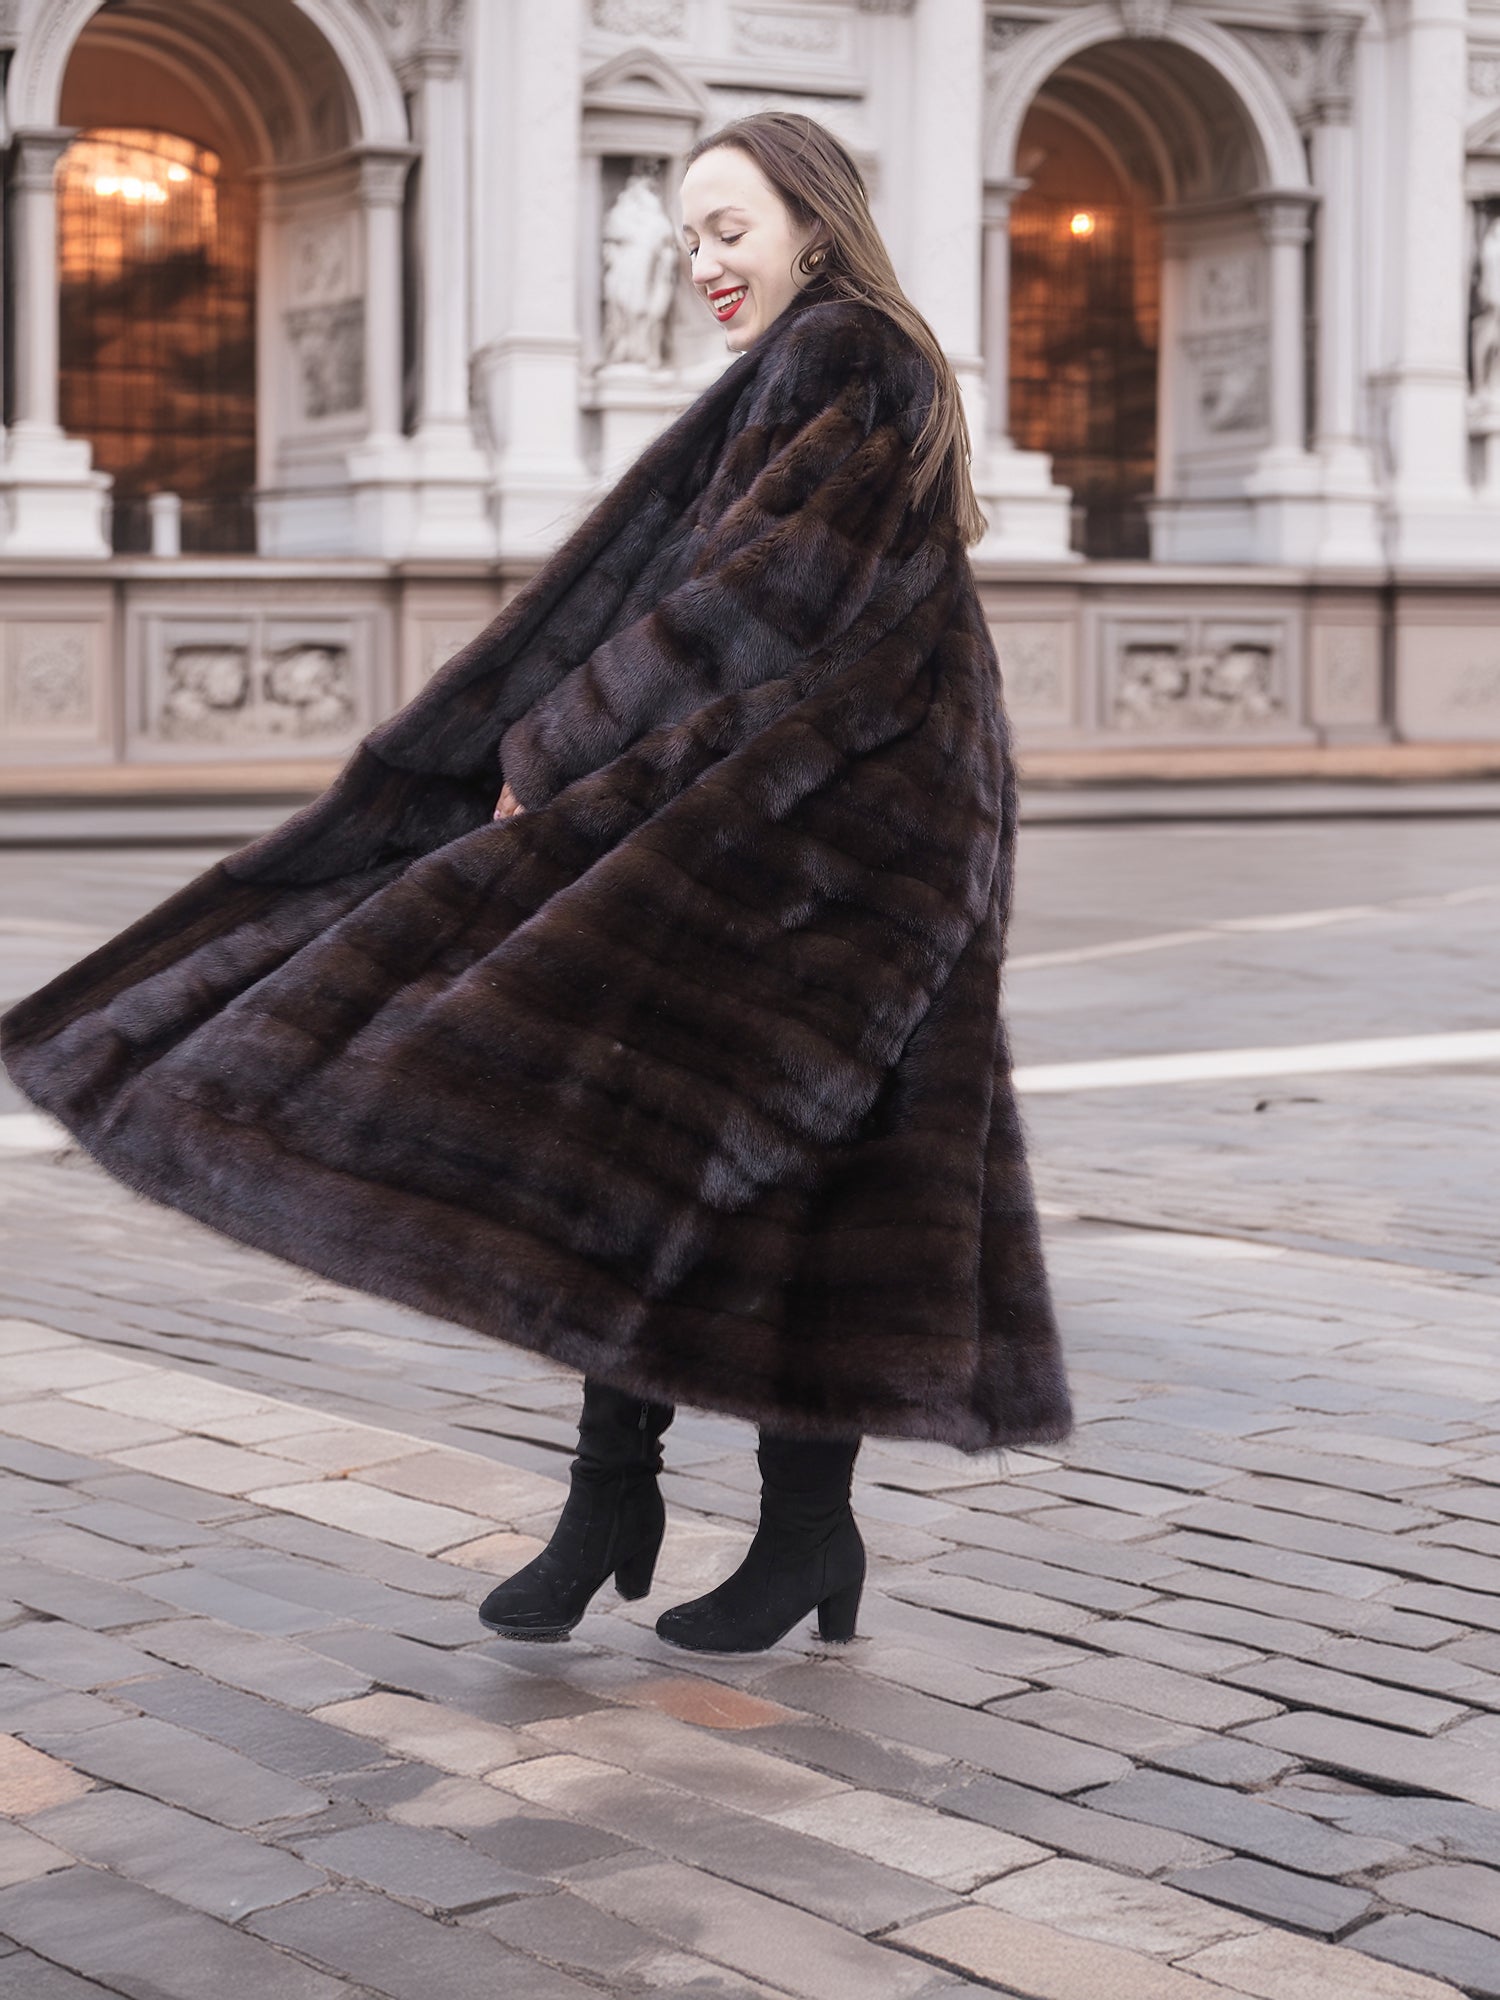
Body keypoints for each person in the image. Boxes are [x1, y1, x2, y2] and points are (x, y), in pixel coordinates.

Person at [1, 114, 1070, 1661]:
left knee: (760, 1171)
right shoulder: (816, 360)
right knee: (663, 1150)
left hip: (839, 842)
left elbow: (759, 593)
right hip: (804, 825)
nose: (700, 263)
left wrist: (562, 738)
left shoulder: (851, 355)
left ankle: (785, 1526)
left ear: (815, 225)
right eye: (689, 235)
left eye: (728, 229)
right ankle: (626, 1501)